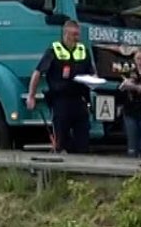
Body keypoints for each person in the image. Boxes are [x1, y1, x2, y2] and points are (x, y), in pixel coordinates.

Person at [28, 20, 94, 154]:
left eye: (78, 34)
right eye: (74, 35)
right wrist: (31, 96)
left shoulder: (83, 50)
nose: (77, 38)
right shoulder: (54, 50)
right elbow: (38, 73)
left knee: (83, 139)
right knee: (61, 140)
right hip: (61, 100)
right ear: (66, 34)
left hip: (79, 100)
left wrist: (94, 81)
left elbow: (92, 73)